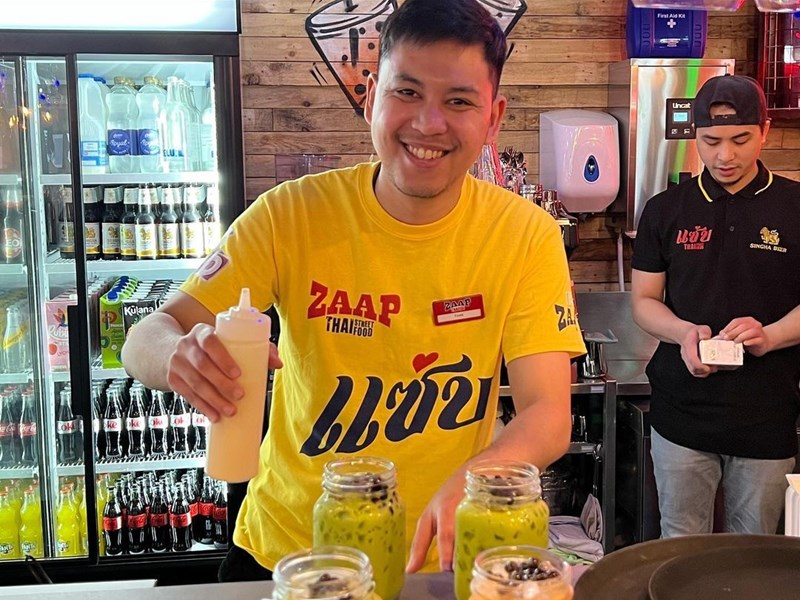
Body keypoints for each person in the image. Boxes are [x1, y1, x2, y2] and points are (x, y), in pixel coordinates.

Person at [121, 0, 585, 581]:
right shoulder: (289, 215)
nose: (429, 123)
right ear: (371, 97)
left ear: (493, 119)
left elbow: (547, 413)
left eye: (459, 101)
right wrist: (176, 356)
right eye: (407, 92)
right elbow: (146, 334)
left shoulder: (524, 236)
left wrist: (477, 479)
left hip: (434, 556)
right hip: (290, 556)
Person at [631, 74, 800, 538]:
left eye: (740, 139)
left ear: (764, 131)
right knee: (680, 543)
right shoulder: (666, 209)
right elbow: (644, 302)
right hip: (682, 411)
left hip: (768, 413)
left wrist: (771, 335)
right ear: (696, 138)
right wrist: (684, 332)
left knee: (754, 550)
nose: (725, 156)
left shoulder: (794, 205)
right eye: (711, 141)